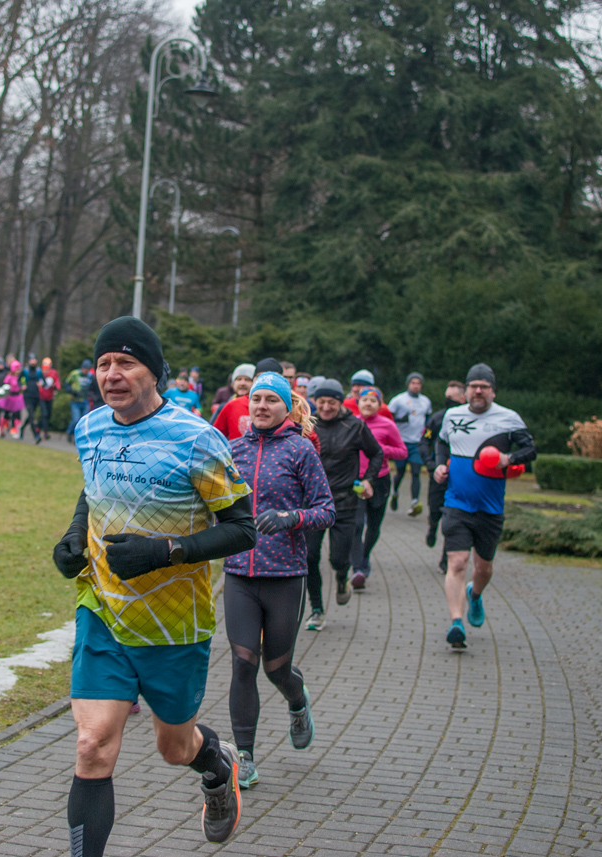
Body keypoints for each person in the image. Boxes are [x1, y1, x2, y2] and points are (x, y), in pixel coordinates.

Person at [52, 317, 256, 855]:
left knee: (174, 746)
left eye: (126, 363)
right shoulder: (91, 427)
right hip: (103, 610)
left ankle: (215, 766)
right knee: (93, 743)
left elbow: (242, 528)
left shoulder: (196, 439)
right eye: (103, 364)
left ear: (154, 372)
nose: (111, 374)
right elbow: (91, 489)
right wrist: (75, 536)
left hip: (172, 624)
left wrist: (166, 551)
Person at [224, 372, 333, 788]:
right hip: (239, 574)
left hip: (285, 574)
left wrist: (291, 518)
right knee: (241, 664)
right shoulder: (232, 451)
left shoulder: (301, 450)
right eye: (256, 399)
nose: (262, 406)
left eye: (272, 399)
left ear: (287, 407)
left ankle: (297, 699)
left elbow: (326, 509)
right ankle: (245, 758)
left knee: (276, 667)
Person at [433, 364, 537, 649]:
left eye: (484, 387)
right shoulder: (452, 416)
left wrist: (508, 458)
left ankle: (475, 595)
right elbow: (442, 444)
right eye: (473, 386)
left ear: (493, 391)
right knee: (457, 563)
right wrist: (440, 465)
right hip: (456, 504)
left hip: (490, 508)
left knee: (484, 568)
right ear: (466, 390)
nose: (478, 391)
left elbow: (531, 451)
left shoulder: (508, 418)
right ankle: (456, 622)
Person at [304, 378, 384, 631]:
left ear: (340, 402)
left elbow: (377, 453)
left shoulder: (355, 426)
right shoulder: (307, 424)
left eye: (332, 402)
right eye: (322, 402)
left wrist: (368, 480)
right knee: (309, 557)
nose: (326, 407)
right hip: (312, 502)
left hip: (345, 502)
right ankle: (316, 609)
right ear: (315, 401)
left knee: (339, 558)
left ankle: (341, 578)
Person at [349, 387, 407, 589]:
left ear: (379, 405)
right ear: (358, 402)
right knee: (355, 525)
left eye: (373, 401)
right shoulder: (351, 424)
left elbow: (402, 452)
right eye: (364, 399)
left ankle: (364, 556)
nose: (368, 404)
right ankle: (357, 569)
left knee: (373, 526)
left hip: (379, 481)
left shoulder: (388, 425)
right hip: (355, 481)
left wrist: (382, 449)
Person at [421, 380, 467, 570]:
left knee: (453, 516)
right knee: (435, 509)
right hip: (438, 473)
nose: (449, 402)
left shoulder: (470, 421)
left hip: (460, 477)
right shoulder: (438, 418)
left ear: (463, 399)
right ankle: (432, 526)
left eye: (453, 399)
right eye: (446, 398)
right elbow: (424, 442)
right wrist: (432, 465)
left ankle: (446, 559)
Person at [389, 372, 432, 516]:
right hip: (401, 441)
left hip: (416, 443)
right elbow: (389, 418)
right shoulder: (399, 400)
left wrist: (426, 436)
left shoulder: (425, 401)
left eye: (418, 383)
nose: (416, 386)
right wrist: (400, 420)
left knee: (416, 472)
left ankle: (414, 502)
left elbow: (428, 419)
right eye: (413, 383)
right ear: (408, 384)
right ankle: (394, 493)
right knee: (400, 472)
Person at [211, 363, 257, 439]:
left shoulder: (261, 407)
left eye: (247, 380)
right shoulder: (224, 407)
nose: (242, 383)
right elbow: (213, 436)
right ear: (232, 383)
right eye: (239, 379)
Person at [0, 360, 25, 438]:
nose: (18, 371)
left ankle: (15, 429)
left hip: (17, 397)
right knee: (6, 414)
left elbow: (23, 384)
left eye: (19, 369)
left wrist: (23, 387)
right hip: (9, 397)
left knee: (16, 414)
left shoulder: (20, 378)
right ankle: (1, 428)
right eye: (16, 369)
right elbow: (5, 386)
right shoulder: (9, 377)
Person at [66, 359, 94, 438]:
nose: (86, 371)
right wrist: (72, 391)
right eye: (85, 369)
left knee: (84, 421)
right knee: (76, 419)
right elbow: (67, 384)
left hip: (85, 400)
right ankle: (69, 432)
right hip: (75, 400)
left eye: (88, 369)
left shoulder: (90, 376)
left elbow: (93, 386)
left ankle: (79, 436)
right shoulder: (75, 374)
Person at [19, 356, 43, 441]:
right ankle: (36, 435)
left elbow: (44, 382)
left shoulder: (39, 372)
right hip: (27, 396)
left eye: (34, 360)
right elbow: (19, 380)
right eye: (31, 360)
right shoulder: (25, 371)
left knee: (30, 416)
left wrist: (41, 384)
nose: (33, 362)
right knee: (32, 415)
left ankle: (22, 428)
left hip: (36, 396)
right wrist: (22, 386)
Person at [37, 357, 60, 441]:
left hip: (49, 397)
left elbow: (57, 382)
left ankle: (38, 427)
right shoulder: (39, 373)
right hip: (41, 397)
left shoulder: (54, 373)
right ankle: (45, 432)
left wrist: (56, 387)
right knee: (45, 414)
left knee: (48, 414)